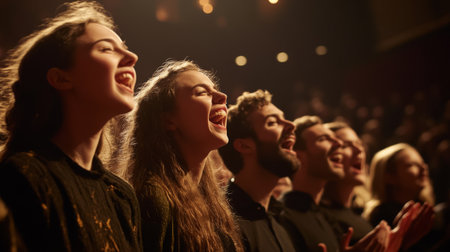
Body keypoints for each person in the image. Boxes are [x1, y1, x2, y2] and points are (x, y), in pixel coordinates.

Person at [0, 1, 142, 251]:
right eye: (107, 49)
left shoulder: (121, 196)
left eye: (126, 48)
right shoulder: (24, 176)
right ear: (61, 78)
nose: (132, 57)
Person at [117, 60, 242, 251]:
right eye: (202, 92)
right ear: (168, 120)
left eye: (215, 89)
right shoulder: (154, 198)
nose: (222, 97)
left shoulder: (209, 196)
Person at [280, 115, 415, 252]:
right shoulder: (284, 215)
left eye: (359, 144)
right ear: (297, 155)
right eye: (323, 139)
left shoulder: (320, 215)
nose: (337, 144)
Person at [218, 89, 299, 252]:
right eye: (273, 122)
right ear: (244, 145)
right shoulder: (223, 223)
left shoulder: (279, 222)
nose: (291, 125)